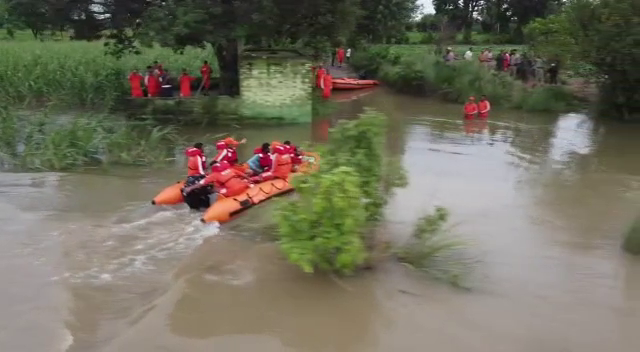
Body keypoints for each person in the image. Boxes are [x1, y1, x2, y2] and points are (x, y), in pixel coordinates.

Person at [184, 160, 252, 198]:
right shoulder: (230, 169)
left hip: (232, 191)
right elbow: (245, 176)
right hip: (243, 186)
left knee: (213, 189)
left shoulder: (214, 175)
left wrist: (190, 188)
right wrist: (248, 180)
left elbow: (201, 183)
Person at [182, 143, 210, 209]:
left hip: (190, 177)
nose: (203, 149)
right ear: (200, 148)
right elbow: (201, 170)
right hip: (197, 177)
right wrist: (207, 177)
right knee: (206, 188)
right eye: (202, 147)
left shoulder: (190, 156)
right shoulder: (198, 157)